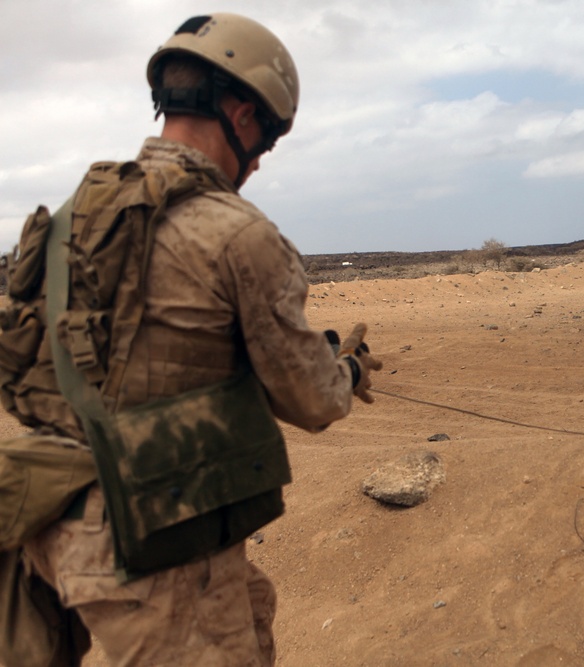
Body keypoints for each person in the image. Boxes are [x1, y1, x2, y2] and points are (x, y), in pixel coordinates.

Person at [0, 13, 380, 666]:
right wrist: (346, 370)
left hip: (38, 524)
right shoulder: (238, 235)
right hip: (144, 541)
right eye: (266, 139)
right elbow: (312, 399)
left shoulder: (73, 216)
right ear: (240, 114)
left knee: (251, 607)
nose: (259, 162)